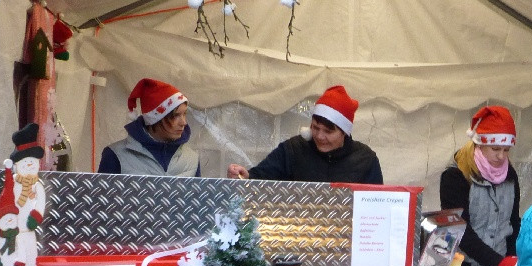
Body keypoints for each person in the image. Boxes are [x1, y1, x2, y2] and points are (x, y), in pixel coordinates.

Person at [226, 85, 382, 184]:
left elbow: (377, 206)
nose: (320, 136)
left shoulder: (366, 160)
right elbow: (260, 178)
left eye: (328, 131)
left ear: (344, 132)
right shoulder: (292, 150)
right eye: (315, 128)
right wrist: (245, 176)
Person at [439, 105, 520, 266]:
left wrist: (512, 257)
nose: (501, 156)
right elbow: (460, 231)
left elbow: (513, 222)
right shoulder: (455, 176)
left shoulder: (510, 176)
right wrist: (499, 263)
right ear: (479, 144)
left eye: (506, 150)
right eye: (495, 149)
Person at [98, 78, 200, 176]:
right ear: (155, 119)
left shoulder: (192, 159)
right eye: (175, 116)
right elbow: (102, 194)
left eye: (184, 114)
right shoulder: (115, 155)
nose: (184, 122)